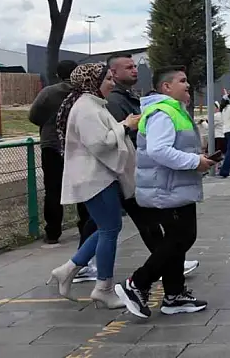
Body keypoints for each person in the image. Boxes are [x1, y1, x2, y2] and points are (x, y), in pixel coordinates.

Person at [115, 66, 214, 319]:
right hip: (166, 188)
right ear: (166, 87)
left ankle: (174, 295)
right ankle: (137, 283)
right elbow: (159, 151)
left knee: (179, 240)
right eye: (182, 81)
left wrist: (198, 159)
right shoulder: (162, 112)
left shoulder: (173, 110)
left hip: (175, 187)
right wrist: (195, 162)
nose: (188, 84)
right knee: (179, 239)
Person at [47, 63, 138, 309]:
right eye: (108, 78)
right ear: (92, 82)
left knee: (107, 228)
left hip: (98, 177)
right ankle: (103, 288)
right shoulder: (87, 108)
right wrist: (126, 126)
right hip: (95, 178)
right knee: (109, 230)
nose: (112, 82)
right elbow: (101, 144)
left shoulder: (92, 105)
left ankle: (68, 269)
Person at [102, 53, 200, 278]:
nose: (134, 70)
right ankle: (138, 282)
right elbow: (152, 147)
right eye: (128, 67)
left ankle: (172, 290)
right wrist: (195, 161)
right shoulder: (120, 103)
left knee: (172, 234)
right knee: (172, 235)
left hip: (157, 177)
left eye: (134, 66)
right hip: (144, 176)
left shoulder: (136, 99)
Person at [28, 60, 83, 246]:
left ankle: (52, 232)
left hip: (52, 144)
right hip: (80, 146)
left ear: (58, 75)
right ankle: (86, 227)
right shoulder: (84, 92)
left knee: (53, 189)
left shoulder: (49, 93)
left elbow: (33, 116)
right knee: (83, 187)